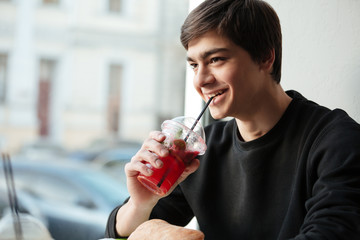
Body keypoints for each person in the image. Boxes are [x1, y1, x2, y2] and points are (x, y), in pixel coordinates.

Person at [105, 0, 360, 239]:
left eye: (215, 60)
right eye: (194, 65)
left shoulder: (338, 141)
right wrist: (141, 203)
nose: (200, 80)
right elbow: (120, 233)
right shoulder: (203, 149)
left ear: (265, 57)